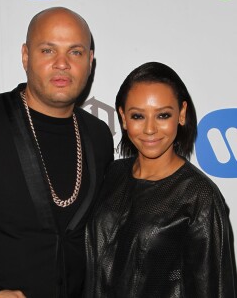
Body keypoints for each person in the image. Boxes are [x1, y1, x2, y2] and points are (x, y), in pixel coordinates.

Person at [0, 7, 114, 298]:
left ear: (90, 62)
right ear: (25, 56)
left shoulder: (98, 136)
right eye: (47, 50)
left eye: (76, 52)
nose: (62, 64)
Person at [84, 62, 237, 297]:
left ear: (182, 114)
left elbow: (215, 289)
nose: (150, 129)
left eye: (163, 115)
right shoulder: (111, 173)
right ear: (123, 118)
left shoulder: (199, 196)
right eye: (138, 116)